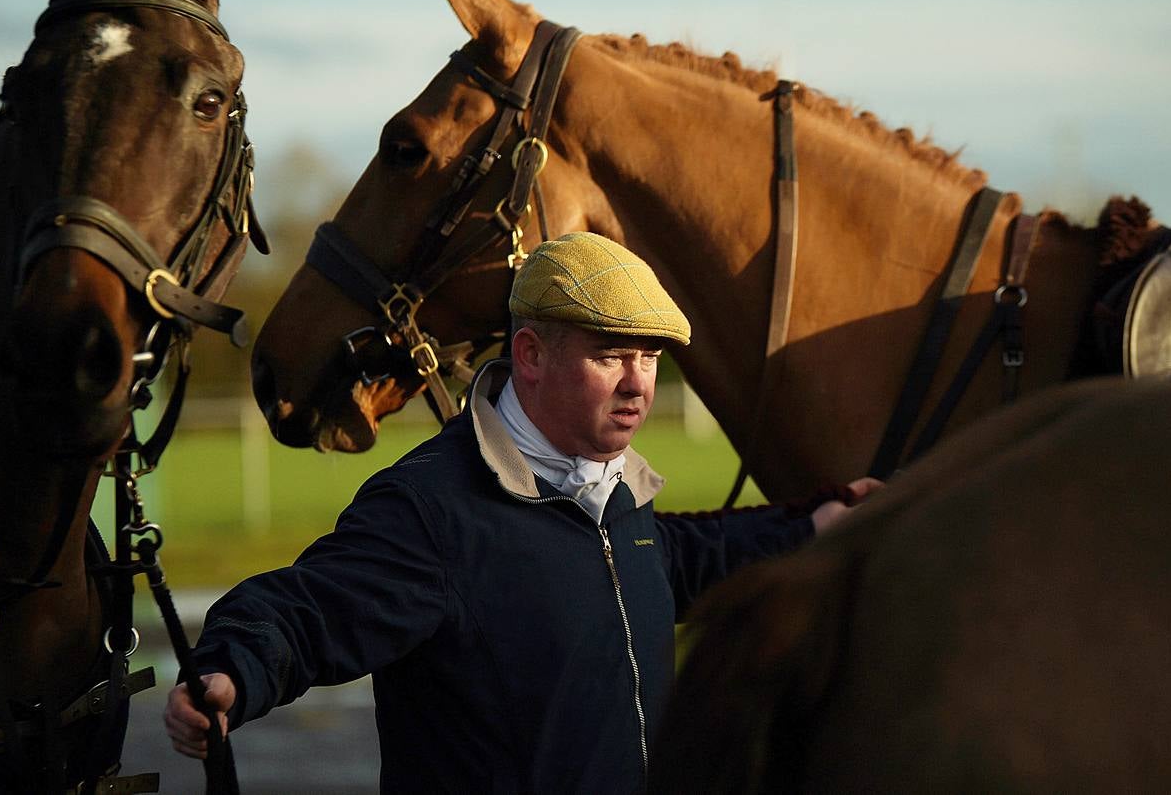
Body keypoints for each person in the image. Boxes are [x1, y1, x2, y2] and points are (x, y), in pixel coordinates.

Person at [164, 231, 876, 792]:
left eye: (650, 359)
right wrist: (233, 670)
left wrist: (812, 527)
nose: (637, 386)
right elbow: (305, 610)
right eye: (611, 356)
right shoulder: (432, 509)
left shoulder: (613, 490)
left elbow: (670, 557)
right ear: (530, 354)